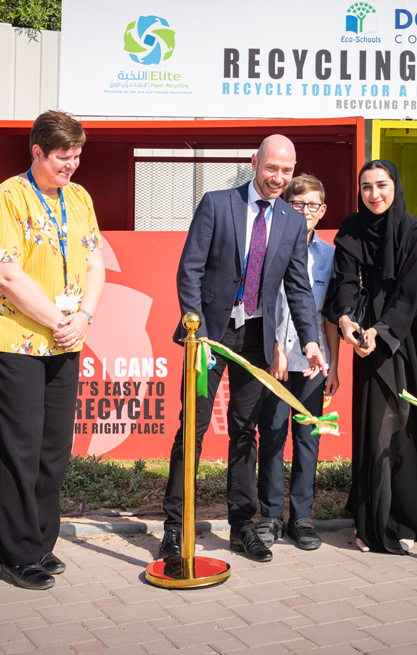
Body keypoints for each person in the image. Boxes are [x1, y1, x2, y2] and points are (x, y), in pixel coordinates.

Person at [160, 135, 327, 563]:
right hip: (209, 338)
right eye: (272, 168)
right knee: (193, 430)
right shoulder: (218, 203)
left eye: (286, 171)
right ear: (255, 162)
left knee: (244, 431)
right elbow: (189, 270)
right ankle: (175, 529)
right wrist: (195, 332)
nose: (278, 178)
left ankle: (242, 525)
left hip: (255, 339)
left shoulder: (291, 220)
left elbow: (299, 288)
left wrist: (309, 340)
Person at [0, 110, 105, 589]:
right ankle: (15, 552)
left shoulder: (80, 197)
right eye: (62, 158)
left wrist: (82, 318)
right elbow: (4, 275)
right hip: (13, 342)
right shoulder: (7, 198)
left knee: (53, 449)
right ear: (37, 153)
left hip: (65, 339)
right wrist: (60, 321)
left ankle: (41, 542)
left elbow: (96, 264)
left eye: (77, 157)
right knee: (17, 451)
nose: (71, 166)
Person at [329, 159, 417, 554]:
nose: (374, 194)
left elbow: (409, 295)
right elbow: (345, 282)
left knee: (406, 430)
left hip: (402, 341)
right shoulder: (351, 228)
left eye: (381, 185)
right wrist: (347, 320)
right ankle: (373, 523)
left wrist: (380, 333)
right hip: (364, 342)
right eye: (366, 187)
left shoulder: (412, 231)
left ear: (394, 186)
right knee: (374, 432)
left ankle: (410, 518)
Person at [255, 175, 341, 551]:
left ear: (322, 211)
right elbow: (264, 303)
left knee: (307, 438)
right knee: (272, 435)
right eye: (297, 204)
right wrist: (274, 346)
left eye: (312, 205)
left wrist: (333, 364)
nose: (304, 212)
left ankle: (301, 518)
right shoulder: (269, 246)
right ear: (285, 207)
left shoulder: (330, 256)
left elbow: (329, 317)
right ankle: (271, 516)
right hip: (274, 359)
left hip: (312, 362)